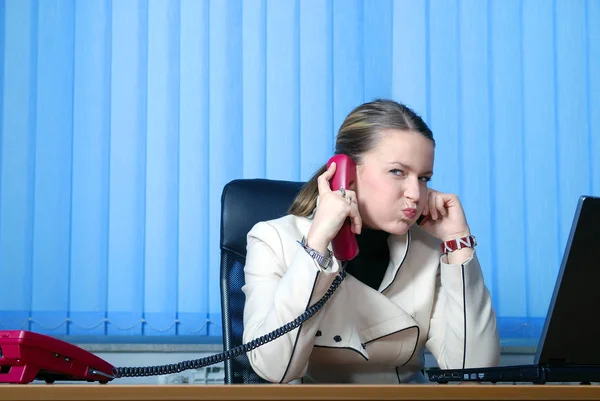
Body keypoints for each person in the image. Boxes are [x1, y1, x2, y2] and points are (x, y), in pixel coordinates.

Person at [241, 99, 500, 384]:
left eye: (424, 177)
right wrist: (317, 246)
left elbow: (474, 371)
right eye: (398, 172)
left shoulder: (428, 249)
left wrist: (457, 243)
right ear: (345, 174)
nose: (415, 193)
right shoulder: (274, 240)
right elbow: (275, 369)